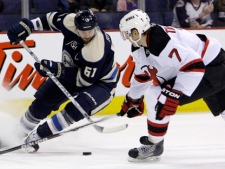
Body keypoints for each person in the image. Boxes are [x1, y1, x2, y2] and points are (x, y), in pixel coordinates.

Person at [119, 9, 225, 162]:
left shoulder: (161, 41)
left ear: (136, 31)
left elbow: (194, 66)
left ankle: (154, 145)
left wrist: (175, 94)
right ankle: (155, 142)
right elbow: (143, 74)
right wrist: (133, 98)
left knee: (156, 95)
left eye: (128, 33)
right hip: (212, 62)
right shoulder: (140, 45)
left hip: (211, 67)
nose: (127, 37)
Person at [7, 9, 118, 152]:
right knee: (43, 101)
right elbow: (49, 19)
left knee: (78, 107)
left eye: (90, 31)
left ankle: (36, 136)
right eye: (83, 31)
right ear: (76, 27)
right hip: (71, 73)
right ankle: (16, 135)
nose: (87, 35)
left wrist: (58, 69)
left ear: (96, 27)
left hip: (102, 84)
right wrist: (29, 25)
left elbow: (84, 82)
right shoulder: (69, 21)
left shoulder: (96, 48)